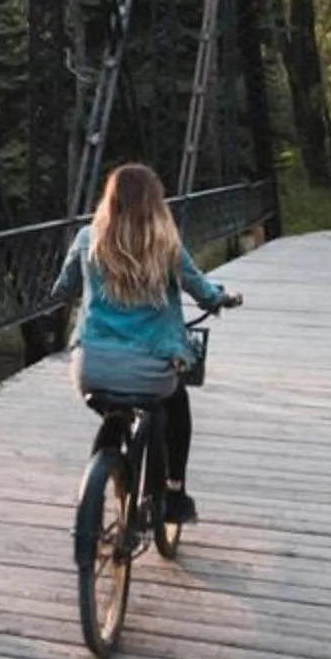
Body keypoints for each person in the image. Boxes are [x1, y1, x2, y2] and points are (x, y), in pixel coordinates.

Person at [51, 164, 239, 525]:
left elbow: (62, 290)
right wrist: (222, 298)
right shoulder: (166, 246)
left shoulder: (88, 239)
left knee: (111, 403)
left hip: (92, 368)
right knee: (176, 403)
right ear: (155, 202)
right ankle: (174, 493)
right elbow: (202, 290)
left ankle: (111, 462)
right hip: (153, 369)